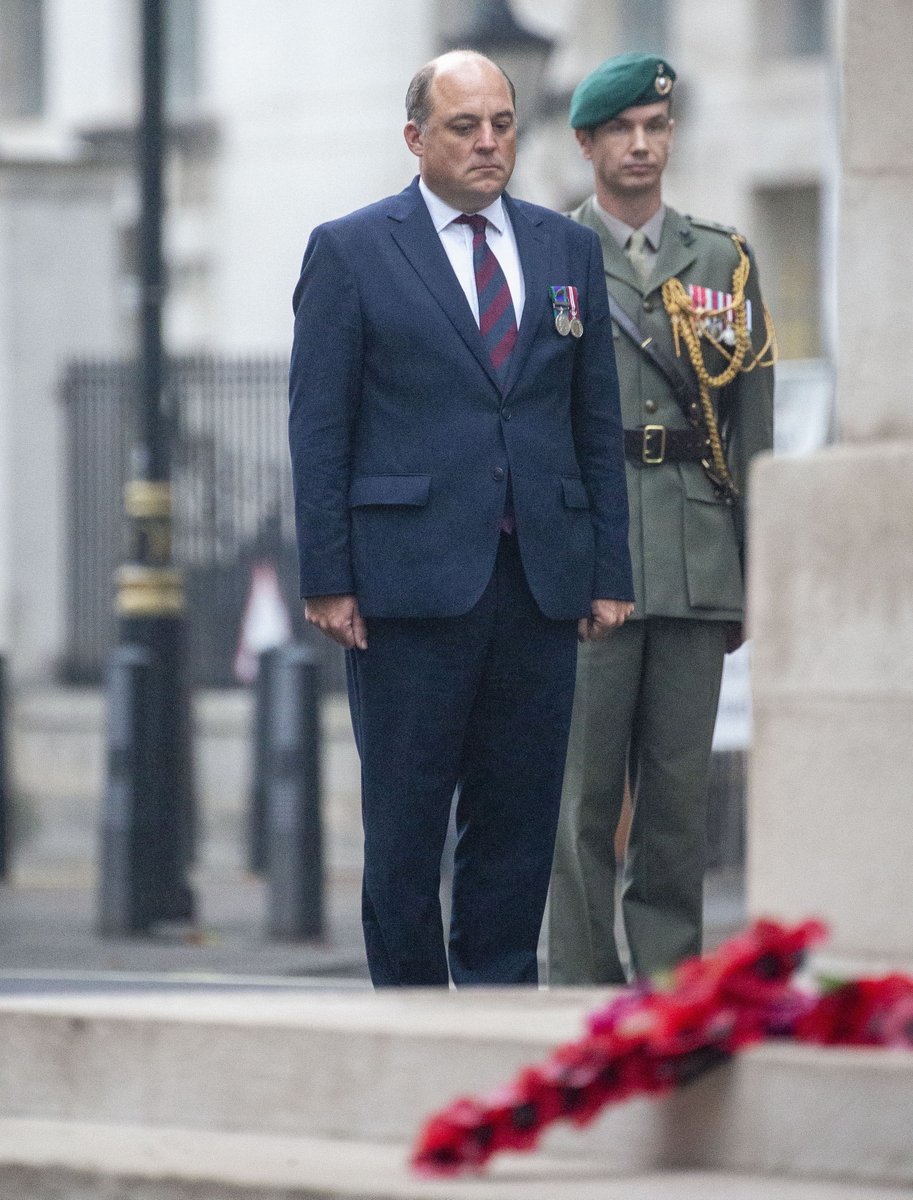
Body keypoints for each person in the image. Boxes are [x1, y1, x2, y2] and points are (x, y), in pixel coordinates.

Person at [288, 51, 634, 988]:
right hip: (407, 582)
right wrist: (326, 575)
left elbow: (592, 419)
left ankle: (494, 1010)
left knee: (518, 819)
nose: (488, 143)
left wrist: (609, 570)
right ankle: (408, 1011)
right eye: (463, 126)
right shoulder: (352, 248)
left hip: (537, 579)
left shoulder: (565, 250)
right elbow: (318, 426)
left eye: (502, 124)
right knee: (404, 824)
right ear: (415, 139)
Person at [549, 52, 775, 985]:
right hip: (589, 558)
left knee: (680, 800)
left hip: (690, 555)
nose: (641, 145)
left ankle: (675, 988)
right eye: (621, 130)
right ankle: (579, 988)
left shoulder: (720, 258)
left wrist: (751, 569)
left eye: (655, 127)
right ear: (587, 144)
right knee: (581, 802)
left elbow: (750, 421)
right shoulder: (545, 253)